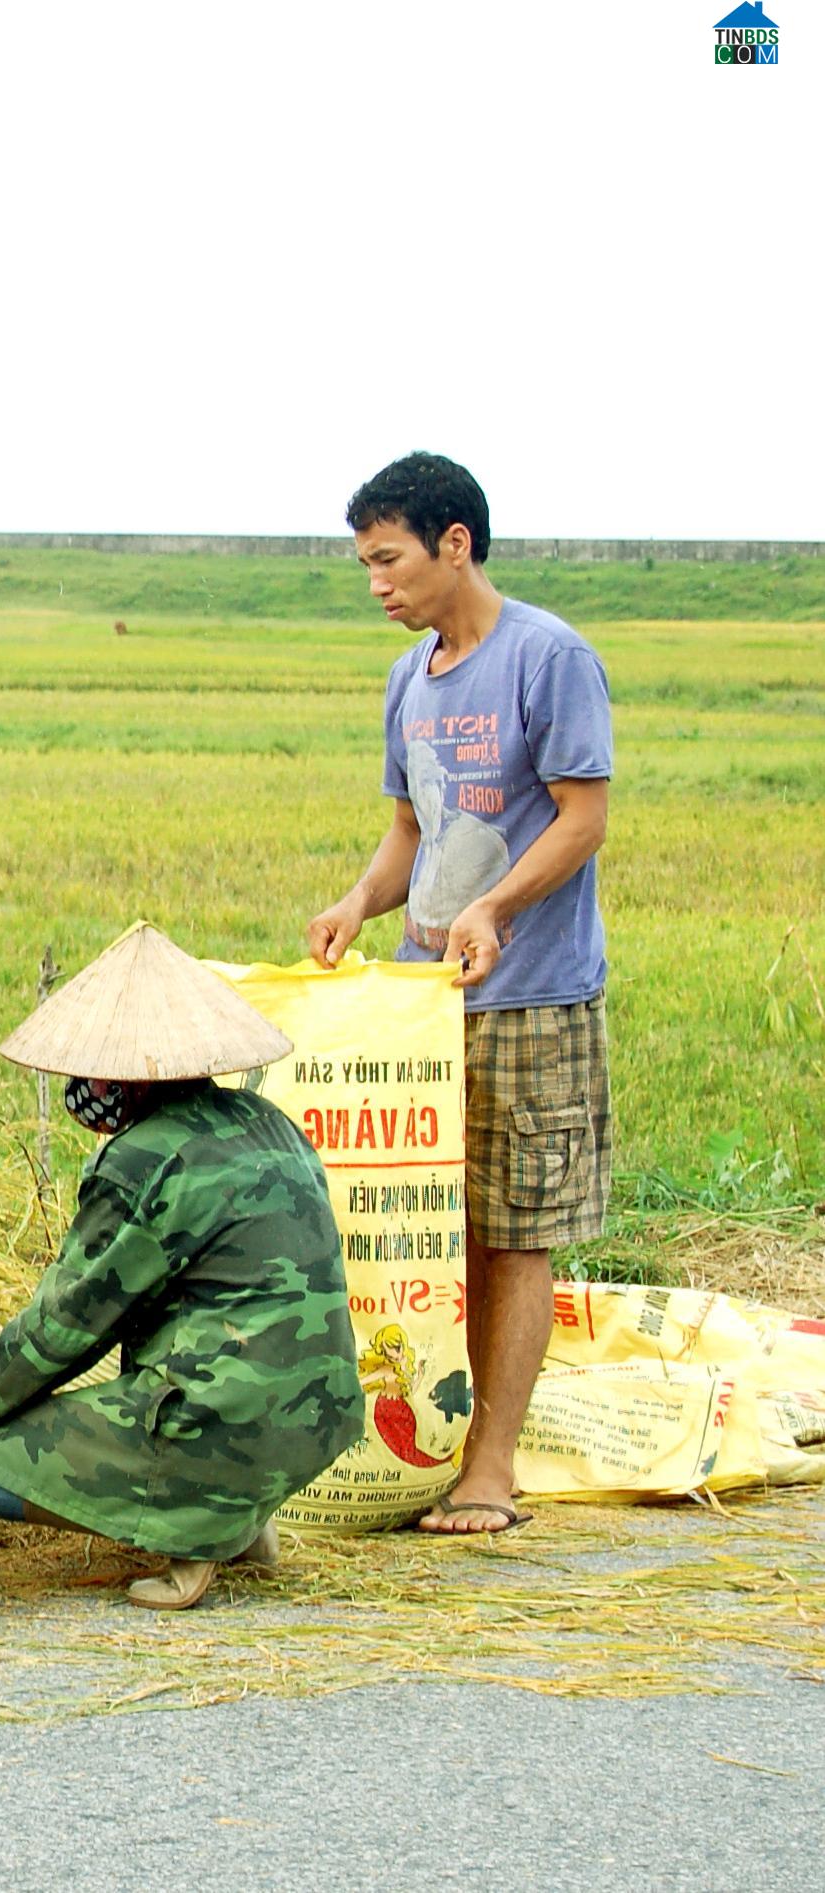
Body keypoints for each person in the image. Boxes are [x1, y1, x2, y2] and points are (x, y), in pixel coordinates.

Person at [306, 451, 613, 1537]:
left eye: (389, 560)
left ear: (455, 544)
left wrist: (496, 910)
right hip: (423, 1003)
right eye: (364, 566)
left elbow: (581, 818)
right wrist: (356, 905)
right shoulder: (411, 680)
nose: (377, 584)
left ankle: (491, 1467)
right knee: (439, 1233)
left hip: (530, 995)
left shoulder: (548, 658)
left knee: (514, 1231)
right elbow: (411, 833)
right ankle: (426, 1438)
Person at [0, 923, 361, 1610]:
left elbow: (59, 1333)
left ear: (130, 1076)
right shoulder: (270, 1122)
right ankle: (240, 1516)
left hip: (221, 1423)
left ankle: (196, 1540)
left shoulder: (144, 1158)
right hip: (323, 1415)